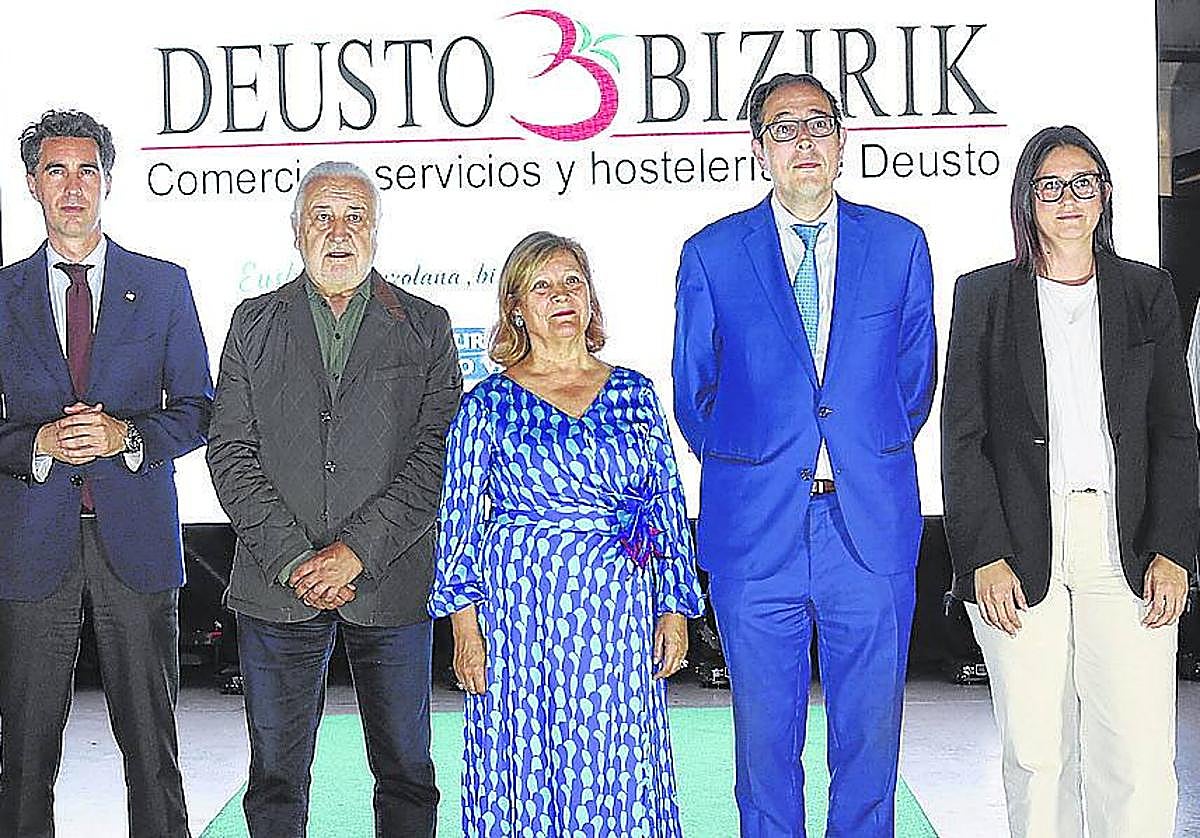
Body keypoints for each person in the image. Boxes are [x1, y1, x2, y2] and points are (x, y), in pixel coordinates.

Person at [672, 73, 936, 837]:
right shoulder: (712, 254)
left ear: (843, 141)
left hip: (868, 529)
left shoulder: (900, 245)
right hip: (757, 535)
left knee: (870, 748)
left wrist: (852, 454)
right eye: (783, 129)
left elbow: (914, 383)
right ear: (760, 151)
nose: (804, 142)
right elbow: (695, 392)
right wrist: (762, 466)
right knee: (763, 751)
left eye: (818, 124)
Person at [942, 126, 1198, 838]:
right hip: (1020, 543)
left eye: (1083, 183)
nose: (1068, 199)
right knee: (1037, 754)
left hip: (1128, 541)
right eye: (1049, 186)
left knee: (1138, 757)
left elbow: (1175, 432)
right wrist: (983, 555)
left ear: (1105, 194)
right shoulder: (984, 295)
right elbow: (962, 438)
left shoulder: (1147, 291)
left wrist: (1175, 549)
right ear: (1026, 200)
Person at [206, 161, 460, 837]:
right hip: (276, 583)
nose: (339, 231)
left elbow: (437, 457)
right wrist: (297, 560)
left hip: (389, 580)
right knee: (275, 781)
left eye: (355, 217)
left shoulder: (427, 326)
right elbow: (229, 451)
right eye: (322, 216)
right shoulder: (253, 323)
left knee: (407, 774)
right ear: (296, 231)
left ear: (377, 231)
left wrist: (355, 553)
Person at [430, 231, 703, 837]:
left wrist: (674, 610)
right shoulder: (486, 404)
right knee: (521, 759)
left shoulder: (634, 392)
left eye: (572, 282)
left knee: (619, 756)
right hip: (517, 618)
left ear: (591, 298)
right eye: (542, 286)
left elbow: (664, 504)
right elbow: (459, 521)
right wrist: (465, 631)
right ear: (515, 309)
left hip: (618, 614)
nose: (560, 296)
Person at [0, 109, 212, 837]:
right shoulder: (1, 295)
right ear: (32, 184)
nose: (72, 187)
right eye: (55, 170)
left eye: (86, 170)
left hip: (138, 545)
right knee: (24, 757)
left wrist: (128, 436)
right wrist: (38, 443)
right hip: (31, 549)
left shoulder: (163, 285)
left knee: (152, 752)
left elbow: (198, 409)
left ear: (109, 181)